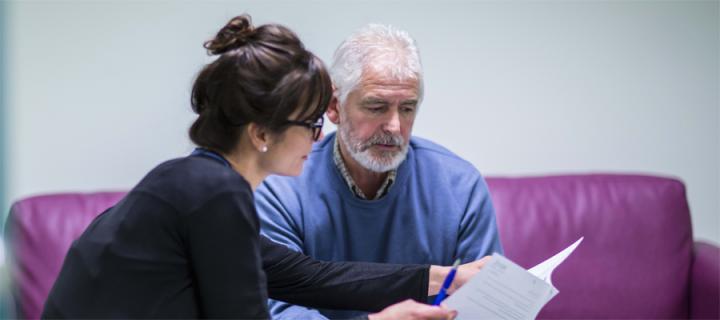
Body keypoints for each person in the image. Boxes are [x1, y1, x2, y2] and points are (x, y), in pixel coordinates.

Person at [41, 15, 478, 319]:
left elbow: (308, 277)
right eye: (309, 124)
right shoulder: (214, 192)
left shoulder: (195, 181)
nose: (319, 136)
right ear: (261, 133)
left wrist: (440, 278)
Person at [256, 23, 504, 319]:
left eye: (408, 108)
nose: (395, 127)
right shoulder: (281, 185)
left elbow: (491, 303)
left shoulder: (461, 186)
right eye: (377, 107)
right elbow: (276, 310)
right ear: (334, 106)